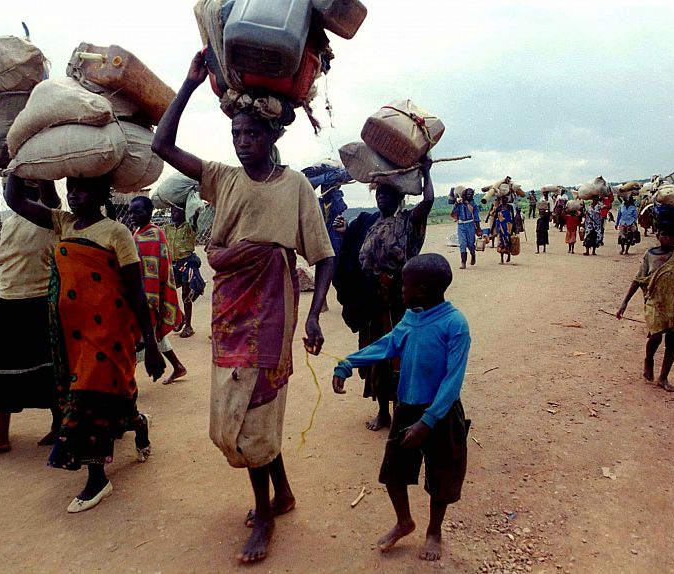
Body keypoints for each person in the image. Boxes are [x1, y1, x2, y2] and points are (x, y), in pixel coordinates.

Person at [151, 51, 335, 563]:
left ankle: (265, 515)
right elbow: (159, 144)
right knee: (238, 412)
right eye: (236, 136)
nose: (242, 142)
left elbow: (323, 257)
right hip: (231, 312)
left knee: (254, 411)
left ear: (273, 136)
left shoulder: (296, 187)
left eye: (252, 135)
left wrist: (317, 312)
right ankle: (284, 492)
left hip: (273, 314)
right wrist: (187, 85)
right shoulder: (222, 178)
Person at [4, 173, 166, 513]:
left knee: (89, 396)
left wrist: (151, 345)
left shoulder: (117, 233)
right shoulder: (63, 223)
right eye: (71, 188)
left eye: (83, 189)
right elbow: (16, 201)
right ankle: (138, 423)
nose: (74, 195)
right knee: (108, 397)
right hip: (72, 334)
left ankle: (98, 478)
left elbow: (136, 292)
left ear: (100, 193)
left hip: (108, 332)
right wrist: (19, 165)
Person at [331, 253, 470, 562]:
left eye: (403, 286)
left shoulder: (455, 324)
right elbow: (386, 344)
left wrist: (428, 422)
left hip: (441, 414)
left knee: (441, 476)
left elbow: (453, 380)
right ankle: (404, 521)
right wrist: (347, 363)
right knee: (393, 471)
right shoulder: (411, 318)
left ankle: (434, 531)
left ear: (420, 290)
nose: (400, 291)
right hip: (406, 408)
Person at [337, 159, 435, 432]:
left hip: (398, 302)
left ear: (399, 197)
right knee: (377, 356)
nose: (381, 197)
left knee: (399, 358)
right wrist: (346, 232)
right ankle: (383, 412)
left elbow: (427, 202)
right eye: (378, 193)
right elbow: (358, 253)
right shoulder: (369, 222)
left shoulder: (406, 223)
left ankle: (401, 413)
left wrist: (426, 171)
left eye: (387, 193)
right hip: (371, 301)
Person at [0, 180, 61, 456]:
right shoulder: (12, 220)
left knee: (49, 366)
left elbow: (48, 190)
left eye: (11, 185)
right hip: (7, 298)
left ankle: (59, 425)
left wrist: (31, 165)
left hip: (39, 299)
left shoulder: (49, 212)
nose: (7, 188)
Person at [616, 215, 674, 392]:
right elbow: (638, 279)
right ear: (658, 234)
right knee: (656, 336)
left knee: (672, 341)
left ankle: (663, 377)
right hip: (655, 302)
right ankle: (648, 359)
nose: (669, 238)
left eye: (673, 236)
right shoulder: (650, 255)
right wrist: (624, 303)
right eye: (665, 235)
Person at [128, 196, 188, 385]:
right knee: (152, 335)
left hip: (149, 296)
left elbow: (155, 271)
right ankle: (178, 366)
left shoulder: (154, 234)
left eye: (137, 212)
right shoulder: (138, 232)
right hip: (141, 294)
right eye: (131, 212)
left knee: (140, 337)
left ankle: (126, 381)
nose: (132, 216)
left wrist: (150, 299)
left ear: (150, 212)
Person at [164, 205, 206, 339]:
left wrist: (193, 208)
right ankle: (180, 317)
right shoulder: (167, 228)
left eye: (177, 211)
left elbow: (195, 217)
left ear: (184, 213)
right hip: (172, 265)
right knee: (165, 292)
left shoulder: (189, 227)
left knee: (186, 295)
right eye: (172, 211)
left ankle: (189, 326)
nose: (173, 214)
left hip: (187, 263)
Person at [450, 187, 480, 269]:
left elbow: (476, 218)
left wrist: (478, 229)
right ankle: (463, 263)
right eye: (468, 194)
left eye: (471, 194)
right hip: (461, 225)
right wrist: (456, 203)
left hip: (470, 224)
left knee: (470, 244)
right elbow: (454, 213)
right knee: (462, 244)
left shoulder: (474, 205)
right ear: (465, 194)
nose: (470, 196)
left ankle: (473, 254)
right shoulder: (460, 204)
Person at [494, 195, 515, 264]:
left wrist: (514, 228)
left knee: (508, 242)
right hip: (501, 228)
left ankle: (509, 255)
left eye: (505, 199)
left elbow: (513, 218)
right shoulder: (498, 208)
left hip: (508, 227)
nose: (504, 200)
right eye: (502, 199)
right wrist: (492, 230)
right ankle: (502, 259)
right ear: (500, 200)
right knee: (501, 243)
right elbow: (495, 218)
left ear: (507, 199)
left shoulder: (510, 207)